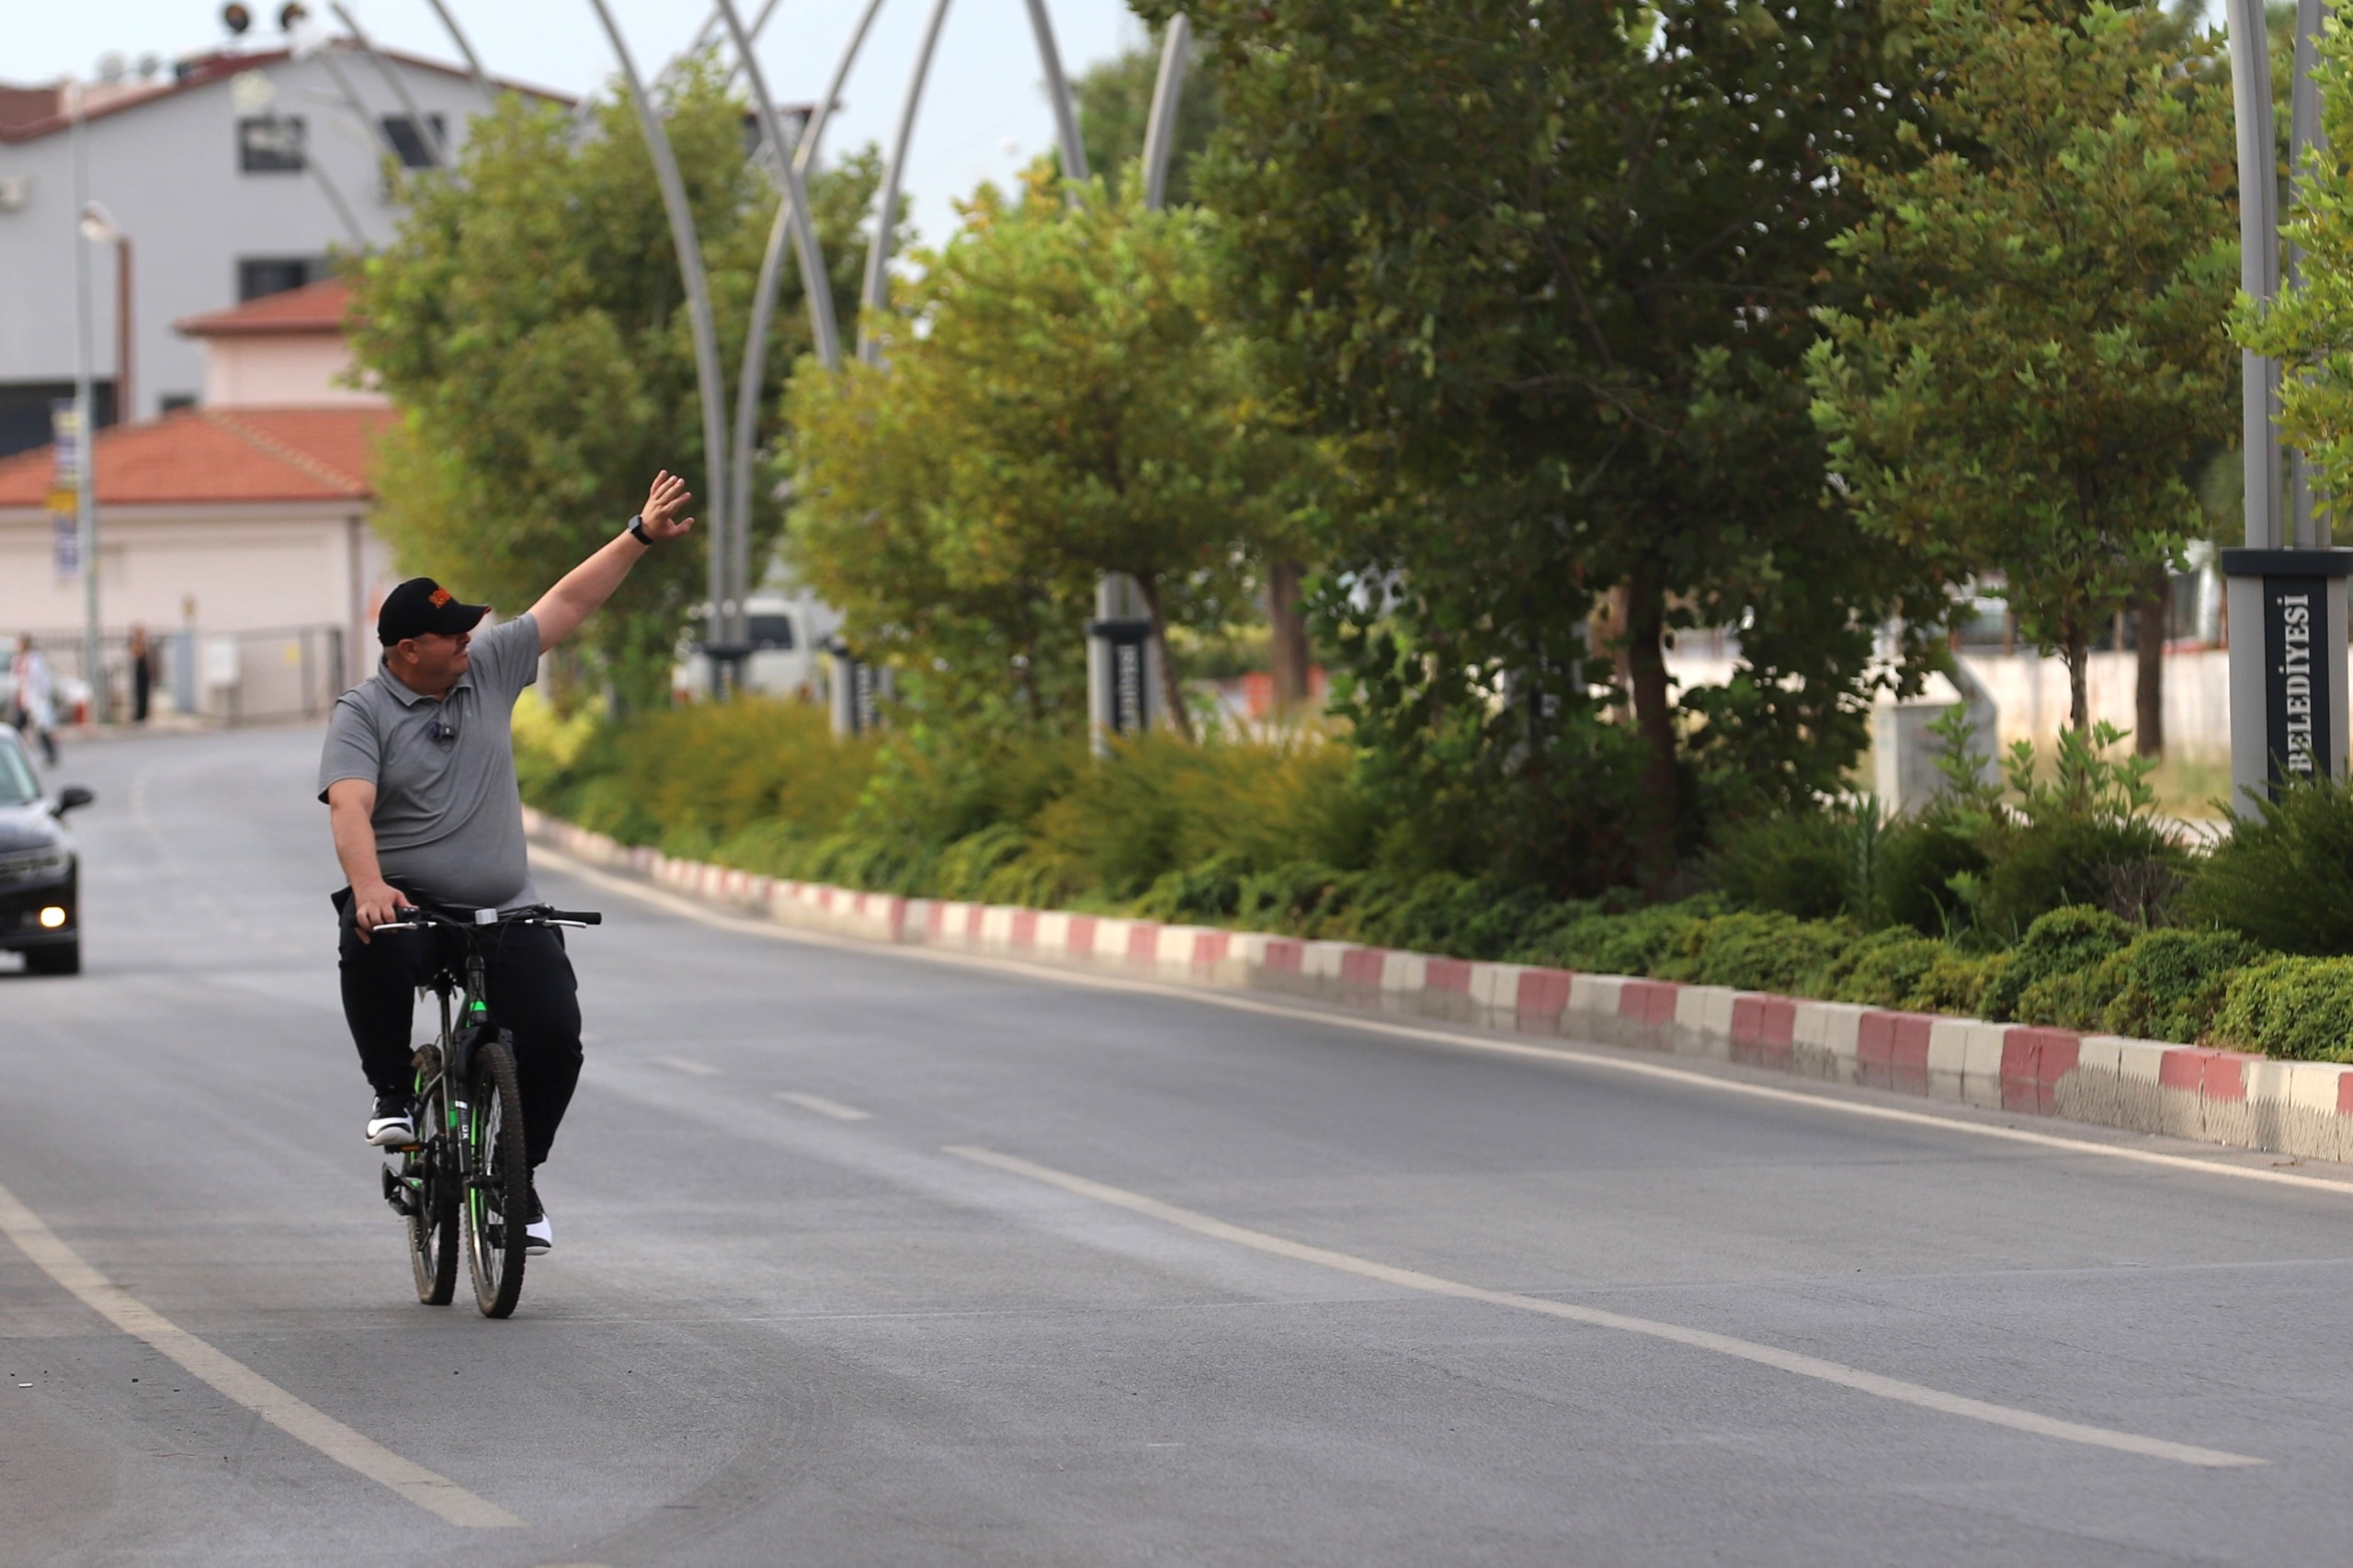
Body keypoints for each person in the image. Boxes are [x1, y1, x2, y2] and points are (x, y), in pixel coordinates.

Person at [318, 472, 695, 1254]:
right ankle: (393, 1094)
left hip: (506, 906)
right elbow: (350, 804)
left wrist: (639, 534)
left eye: (466, 628)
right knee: (372, 942)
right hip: (414, 903)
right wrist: (369, 886)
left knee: (556, 1035)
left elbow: (568, 603)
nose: (467, 637)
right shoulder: (363, 713)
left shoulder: (485, 668)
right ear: (406, 649)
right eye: (449, 632)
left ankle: (517, 1182)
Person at [10, 634, 58, 767]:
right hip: (23, 700)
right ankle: (20, 753)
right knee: (18, 728)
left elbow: (43, 679)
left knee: (42, 728)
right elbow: (16, 680)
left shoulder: (35, 660)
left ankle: (51, 754)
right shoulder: (17, 660)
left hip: (36, 699)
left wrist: (43, 696)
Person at [129, 624, 154, 723]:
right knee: (139, 693)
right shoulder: (136, 643)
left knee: (145, 693)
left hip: (144, 670)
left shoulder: (144, 643)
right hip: (139, 669)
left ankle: (144, 714)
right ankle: (139, 714)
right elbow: (136, 654)